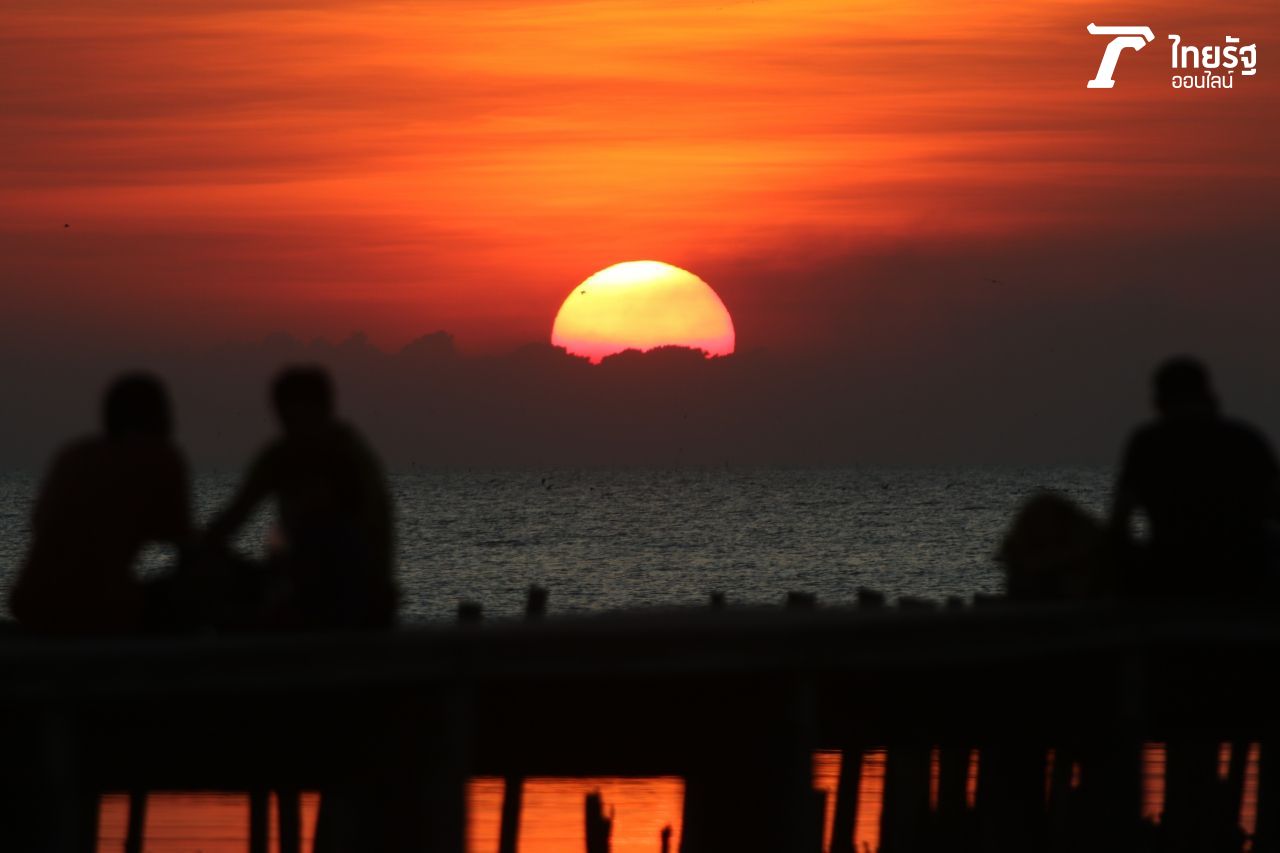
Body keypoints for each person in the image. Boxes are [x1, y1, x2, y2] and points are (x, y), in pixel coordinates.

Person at [205, 366, 396, 630]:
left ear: (323, 410)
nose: (293, 425)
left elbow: (350, 539)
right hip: (303, 586)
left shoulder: (348, 457)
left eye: (300, 414)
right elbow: (235, 515)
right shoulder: (281, 454)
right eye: (286, 416)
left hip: (355, 596)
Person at [9, 374, 191, 634]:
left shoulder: (73, 455)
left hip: (30, 603)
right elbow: (185, 545)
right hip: (98, 609)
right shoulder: (160, 458)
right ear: (156, 418)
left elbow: (39, 522)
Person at [1110, 356, 1280, 597]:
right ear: (1208, 395)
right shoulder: (1244, 439)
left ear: (1160, 401)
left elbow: (1120, 521)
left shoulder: (1148, 443)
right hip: (1243, 571)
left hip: (1171, 570)